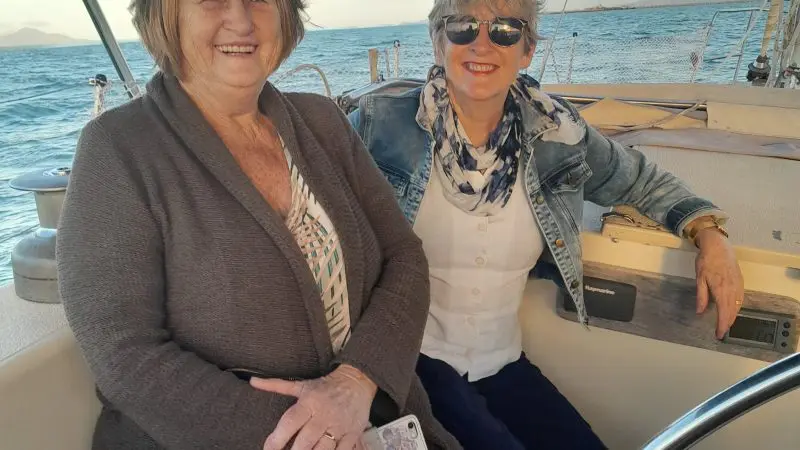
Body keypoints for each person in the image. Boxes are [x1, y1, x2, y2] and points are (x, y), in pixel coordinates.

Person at [56, 0, 461, 449]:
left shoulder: (323, 121)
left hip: (374, 417)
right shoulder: (117, 149)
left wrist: (357, 379)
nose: (242, 20)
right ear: (164, 14)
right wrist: (317, 435)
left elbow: (404, 257)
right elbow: (123, 355)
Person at [347, 0, 745, 448]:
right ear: (438, 42)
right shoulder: (379, 126)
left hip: (503, 362)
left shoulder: (559, 133)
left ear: (528, 48)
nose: (482, 42)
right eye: (461, 27)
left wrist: (709, 234)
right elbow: (298, 185)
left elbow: (639, 180)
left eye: (504, 29)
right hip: (408, 364)